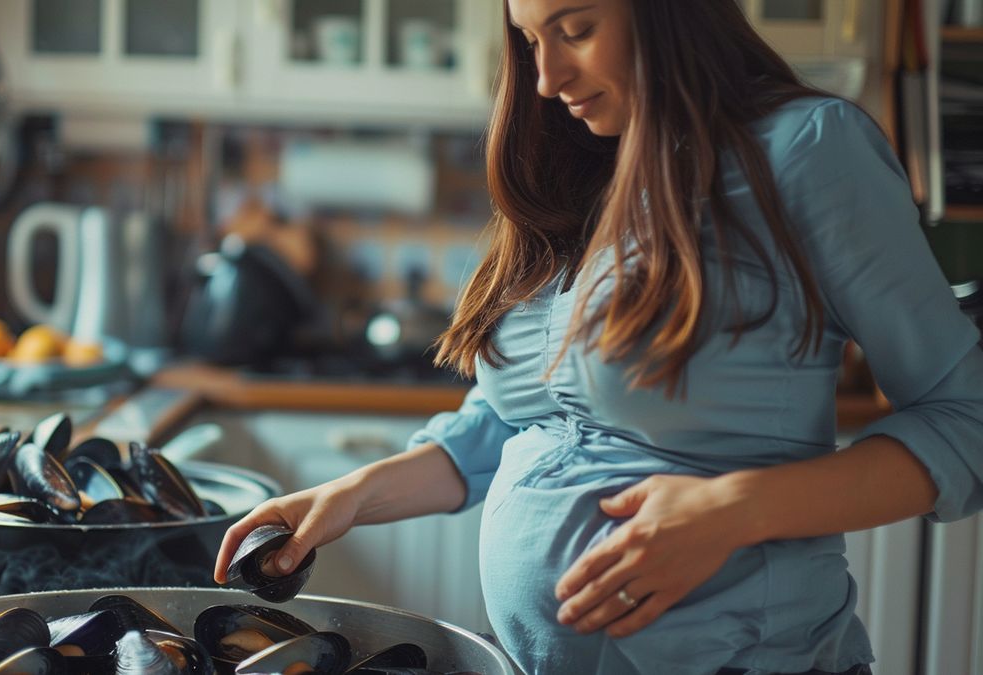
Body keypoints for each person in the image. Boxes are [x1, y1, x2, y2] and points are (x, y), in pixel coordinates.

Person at [214, 1, 983, 673]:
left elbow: (965, 419)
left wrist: (735, 508)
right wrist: (356, 494)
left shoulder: (809, 149)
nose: (547, 77)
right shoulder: (578, 168)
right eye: (529, 40)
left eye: (576, 29)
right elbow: (516, 419)